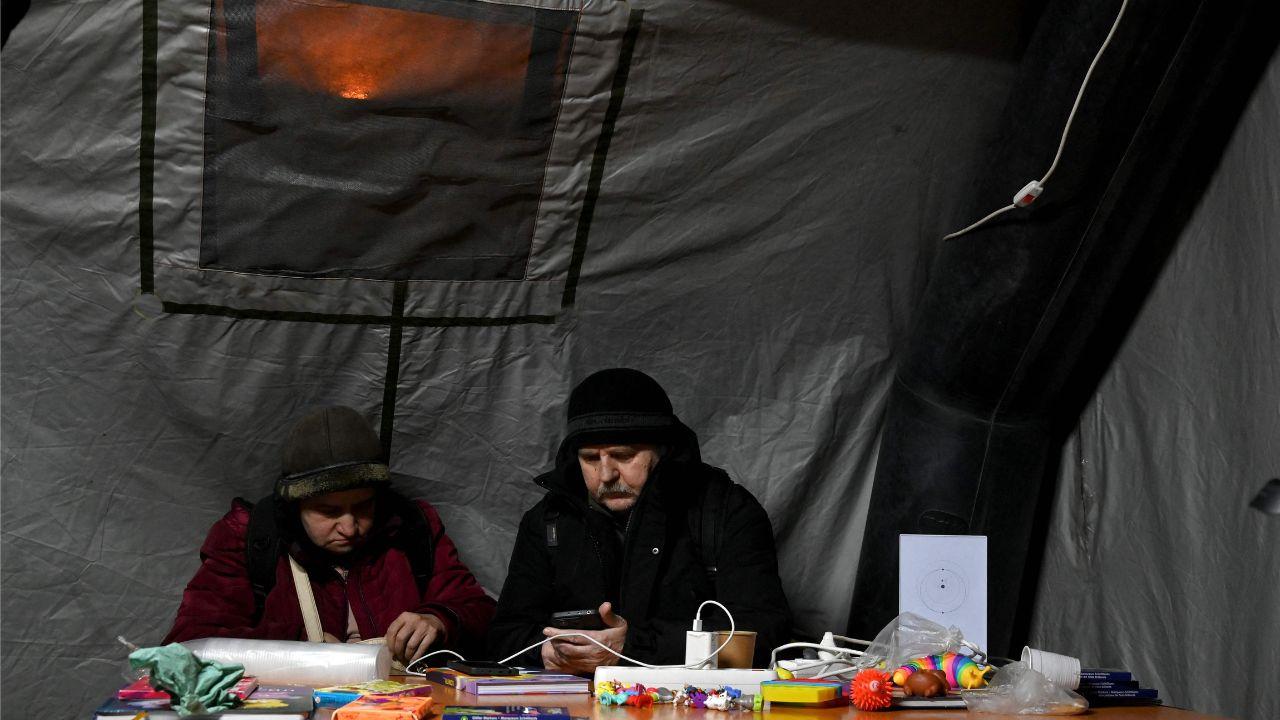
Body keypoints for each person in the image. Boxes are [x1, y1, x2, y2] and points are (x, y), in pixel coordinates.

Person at [488, 368, 791, 673]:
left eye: (623, 455)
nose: (606, 475)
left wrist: (631, 647)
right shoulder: (547, 521)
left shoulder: (725, 511)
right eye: (591, 459)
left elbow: (764, 632)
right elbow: (503, 636)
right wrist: (546, 654)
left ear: (662, 449)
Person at [163, 406, 495, 664]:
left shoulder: (413, 527)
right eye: (328, 512)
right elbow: (193, 642)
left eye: (364, 507)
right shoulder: (247, 536)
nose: (349, 528)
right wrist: (297, 644)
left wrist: (438, 619)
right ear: (296, 505)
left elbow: (480, 611)